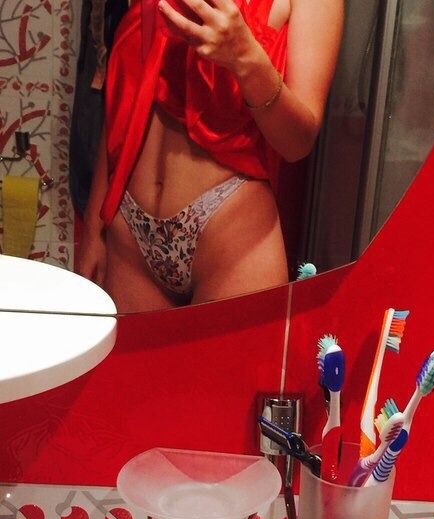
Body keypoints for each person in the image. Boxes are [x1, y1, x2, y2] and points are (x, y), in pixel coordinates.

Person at [77, 0, 344, 312]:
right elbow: (126, 97)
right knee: (127, 347)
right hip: (129, 234)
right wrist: (94, 226)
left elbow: (298, 143)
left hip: (232, 236)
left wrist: (245, 58)